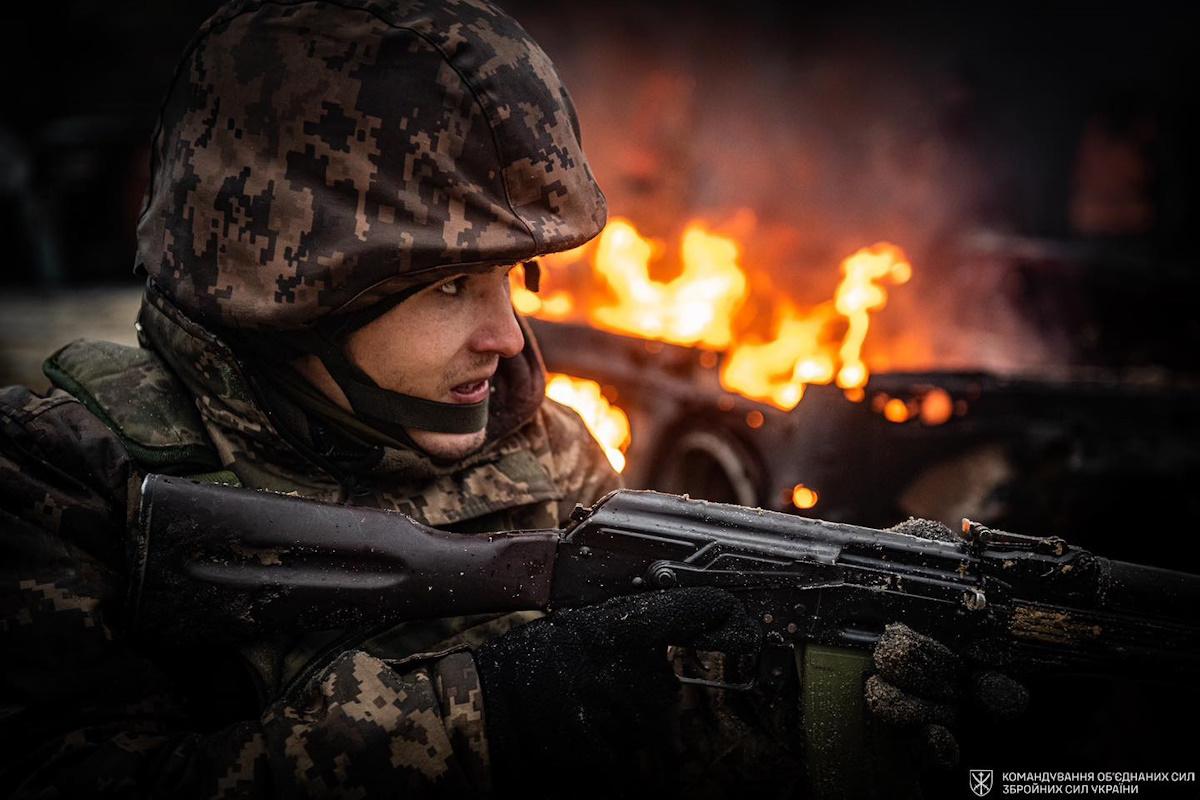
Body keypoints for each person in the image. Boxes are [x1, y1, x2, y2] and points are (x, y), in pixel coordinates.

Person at [0, 1, 1022, 797]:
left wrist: (804, 721)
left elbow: (653, 748)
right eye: (452, 286)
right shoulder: (65, 483)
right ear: (290, 292)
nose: (507, 335)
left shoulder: (551, 454)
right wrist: (486, 719)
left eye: (514, 277)